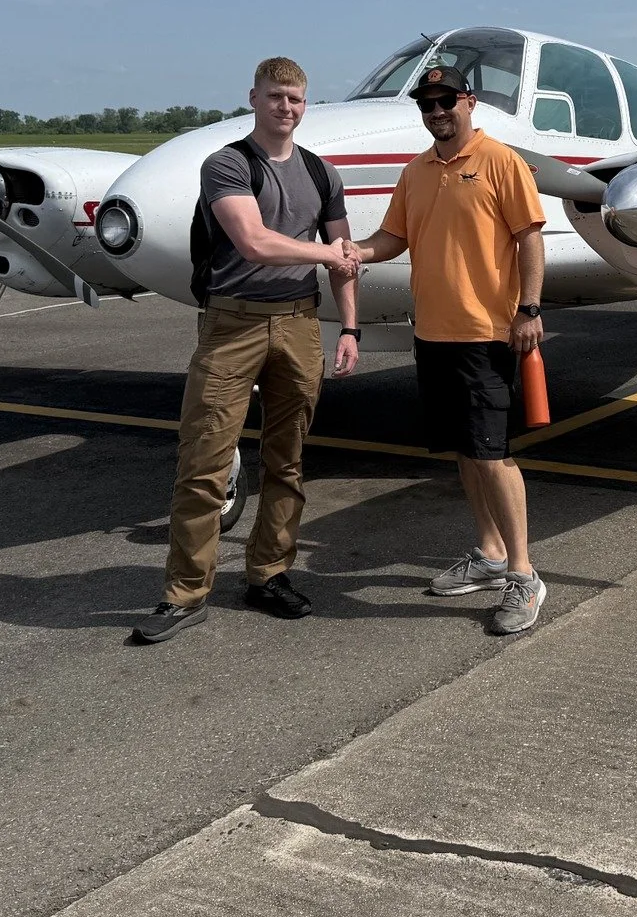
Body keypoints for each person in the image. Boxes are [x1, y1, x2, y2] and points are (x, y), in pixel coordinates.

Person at [131, 57, 360, 645]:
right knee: (204, 461)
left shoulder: (321, 172)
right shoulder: (228, 164)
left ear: (306, 105)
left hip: (300, 323)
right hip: (233, 326)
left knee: (288, 460)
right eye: (276, 96)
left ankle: (269, 573)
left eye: (296, 99)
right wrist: (329, 254)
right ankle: (185, 593)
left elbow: (346, 259)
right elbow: (254, 242)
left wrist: (350, 328)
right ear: (253, 98)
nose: (287, 107)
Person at [346, 61, 549, 634]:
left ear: (469, 102)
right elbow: (394, 238)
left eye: (445, 101)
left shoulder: (500, 161)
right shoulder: (415, 172)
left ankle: (524, 575)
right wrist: (355, 251)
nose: (436, 111)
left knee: (492, 453)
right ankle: (490, 553)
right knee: (464, 450)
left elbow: (530, 238)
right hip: (432, 333)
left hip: (486, 334)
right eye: (426, 104)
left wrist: (529, 309)